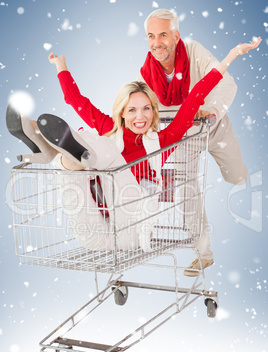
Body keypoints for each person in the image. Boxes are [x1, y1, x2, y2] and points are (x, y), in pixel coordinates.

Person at [6, 38, 261, 254]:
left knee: (104, 151)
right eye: (132, 110)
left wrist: (231, 56)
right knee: (78, 172)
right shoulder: (111, 127)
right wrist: (61, 66)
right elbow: (76, 100)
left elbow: (195, 96)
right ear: (123, 112)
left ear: (153, 111)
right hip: (99, 232)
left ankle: (51, 145)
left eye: (147, 109)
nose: (140, 116)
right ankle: (59, 153)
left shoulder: (163, 140)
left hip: (134, 224)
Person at [137, 8, 261, 276]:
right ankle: (203, 254)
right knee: (186, 188)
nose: (156, 42)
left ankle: (242, 182)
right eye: (150, 36)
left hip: (214, 125)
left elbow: (226, 82)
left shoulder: (192, 51)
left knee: (237, 176)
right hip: (183, 135)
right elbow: (139, 107)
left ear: (176, 36)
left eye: (162, 35)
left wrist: (210, 110)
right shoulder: (146, 73)